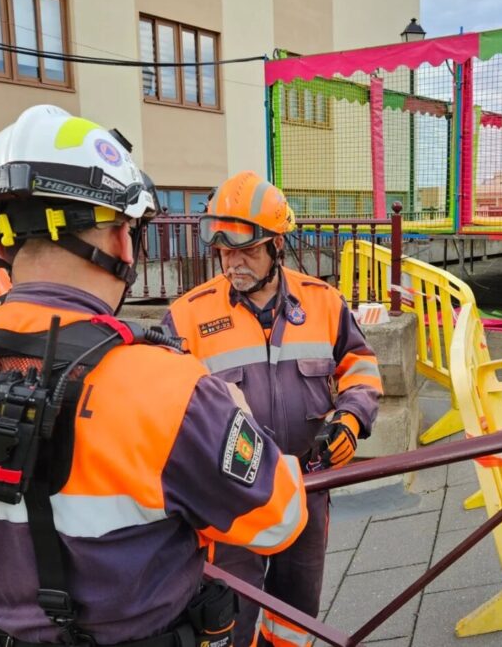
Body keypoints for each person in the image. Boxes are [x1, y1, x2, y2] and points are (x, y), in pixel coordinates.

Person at [0, 106, 307, 646]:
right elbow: (279, 518)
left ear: (2, 242)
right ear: (120, 241)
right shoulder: (167, 387)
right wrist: (237, 414)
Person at [164, 171, 383, 647]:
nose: (231, 261)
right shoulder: (188, 316)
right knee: (229, 613)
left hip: (307, 488)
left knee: (297, 612)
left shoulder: (324, 303)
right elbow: (166, 403)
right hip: (228, 500)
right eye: (223, 250)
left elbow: (361, 366)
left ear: (276, 246)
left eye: (245, 249)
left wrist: (350, 418)